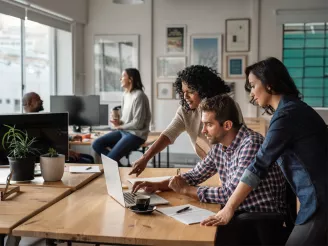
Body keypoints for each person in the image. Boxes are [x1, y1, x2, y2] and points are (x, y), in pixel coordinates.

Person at [201, 57, 328, 246]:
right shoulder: (290, 110)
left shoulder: (287, 115)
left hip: (320, 201)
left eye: (253, 86)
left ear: (269, 84)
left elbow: (258, 165)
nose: (252, 94)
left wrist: (229, 208)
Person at [132, 94, 286, 245]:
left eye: (208, 124)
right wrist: (159, 185)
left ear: (227, 125)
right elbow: (195, 175)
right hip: (237, 214)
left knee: (186, 234)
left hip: (256, 219)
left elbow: (229, 194)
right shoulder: (220, 146)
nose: (203, 130)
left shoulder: (250, 144)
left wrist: (186, 191)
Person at [129, 65, 244, 176]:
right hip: (209, 167)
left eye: (191, 91)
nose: (185, 96)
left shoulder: (227, 106)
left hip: (232, 167)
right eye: (183, 92)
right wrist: (145, 158)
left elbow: (236, 144)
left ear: (204, 89)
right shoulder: (185, 111)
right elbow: (168, 135)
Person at [92, 68, 151, 165]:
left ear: (130, 79)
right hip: (123, 131)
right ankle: (119, 167)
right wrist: (118, 122)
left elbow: (138, 124)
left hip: (136, 135)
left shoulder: (139, 96)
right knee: (96, 144)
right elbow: (125, 119)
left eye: (123, 76)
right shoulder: (125, 95)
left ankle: (115, 165)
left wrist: (120, 126)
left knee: (110, 160)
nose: (120, 78)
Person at [22, 92, 94, 164]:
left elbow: (53, 134)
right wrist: (63, 152)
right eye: (38, 99)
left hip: (55, 152)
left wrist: (71, 139)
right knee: (87, 161)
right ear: (29, 103)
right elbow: (39, 148)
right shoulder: (28, 123)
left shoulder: (39, 119)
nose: (42, 101)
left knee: (90, 157)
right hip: (48, 157)